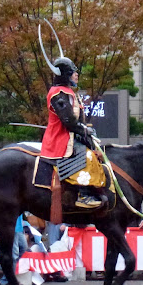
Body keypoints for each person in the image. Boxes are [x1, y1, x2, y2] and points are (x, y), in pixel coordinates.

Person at [39, 57, 105, 209]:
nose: (76, 75)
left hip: (72, 134)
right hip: (61, 137)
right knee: (87, 155)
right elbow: (68, 120)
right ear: (64, 74)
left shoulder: (68, 92)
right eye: (72, 72)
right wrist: (84, 130)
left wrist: (86, 129)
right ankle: (83, 193)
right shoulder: (58, 93)